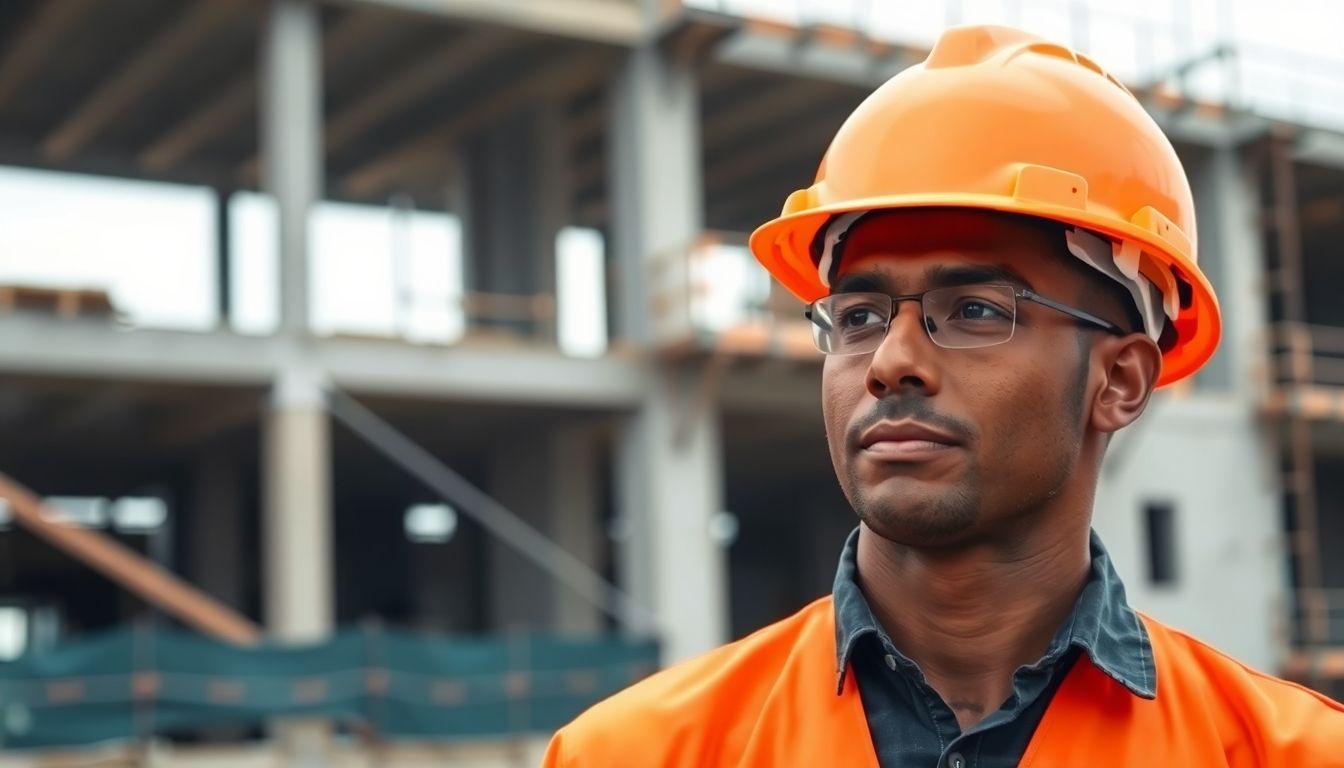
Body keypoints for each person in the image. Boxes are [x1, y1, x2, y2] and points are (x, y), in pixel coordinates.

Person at [543, 24, 1344, 767]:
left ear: (1120, 379)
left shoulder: (1291, 754)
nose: (891, 362)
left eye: (975, 311)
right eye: (858, 317)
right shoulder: (634, 753)